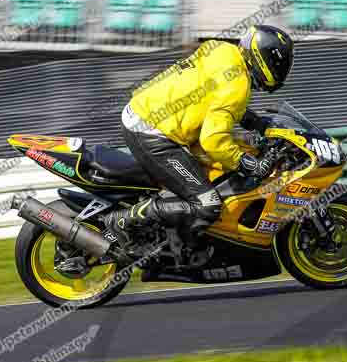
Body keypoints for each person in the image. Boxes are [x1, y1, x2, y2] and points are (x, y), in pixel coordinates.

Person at [103, 25, 295, 244]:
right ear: (265, 58)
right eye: (280, 64)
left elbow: (215, 96)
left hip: (143, 114)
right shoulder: (238, 84)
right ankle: (122, 220)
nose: (282, 70)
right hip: (153, 133)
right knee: (208, 203)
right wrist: (249, 164)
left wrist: (255, 122)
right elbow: (213, 140)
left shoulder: (222, 50)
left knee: (214, 173)